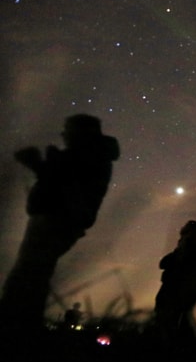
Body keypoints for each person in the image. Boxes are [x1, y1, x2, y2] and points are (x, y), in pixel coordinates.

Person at [0, 114, 120, 334]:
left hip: (56, 221)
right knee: (33, 273)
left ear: (82, 133)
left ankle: (16, 329)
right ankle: (21, 326)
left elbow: (65, 184)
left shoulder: (89, 157)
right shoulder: (92, 156)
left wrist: (38, 164)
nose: (64, 135)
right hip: (58, 221)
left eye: (68, 130)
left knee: (28, 274)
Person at [155, 220, 196, 349]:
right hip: (177, 287)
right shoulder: (192, 247)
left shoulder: (188, 247)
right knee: (174, 318)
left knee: (169, 319)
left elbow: (167, 263)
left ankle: (172, 347)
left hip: (174, 287)